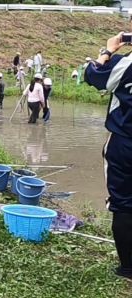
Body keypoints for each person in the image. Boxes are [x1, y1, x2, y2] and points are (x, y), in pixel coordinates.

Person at [85, 30, 132, 280]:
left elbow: (92, 75)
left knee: (123, 204)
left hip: (125, 141)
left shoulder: (124, 63)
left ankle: (127, 268)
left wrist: (108, 50)